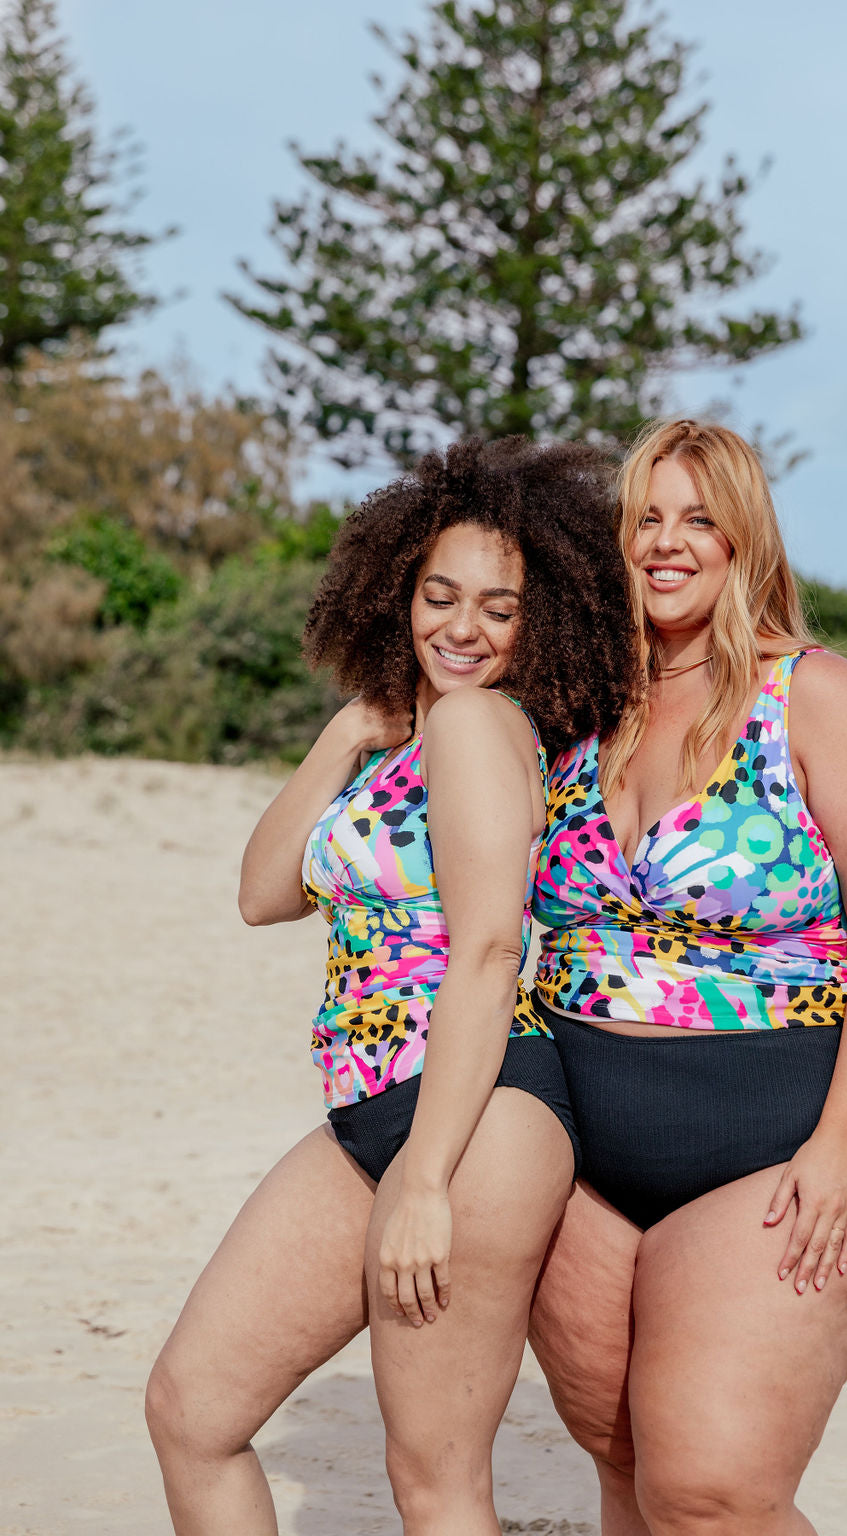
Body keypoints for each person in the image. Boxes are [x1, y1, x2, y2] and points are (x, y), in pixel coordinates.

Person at [145, 436, 636, 1536]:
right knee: (192, 1409)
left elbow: (487, 952)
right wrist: (347, 732)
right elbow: (265, 893)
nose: (462, 628)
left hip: (469, 1116)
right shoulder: (409, 738)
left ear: (541, 620)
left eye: (498, 609)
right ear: (395, 594)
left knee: (436, 1484)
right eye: (439, 596)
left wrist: (424, 1179)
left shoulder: (476, 726)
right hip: (376, 1104)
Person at [526, 418, 847, 1536]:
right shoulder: (577, 704)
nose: (668, 544)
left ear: (743, 539)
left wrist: (837, 1148)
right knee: (621, 1471)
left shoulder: (811, 696)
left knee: (708, 1493)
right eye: (645, 519)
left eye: (698, 519)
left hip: (777, 1135)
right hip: (573, 1152)